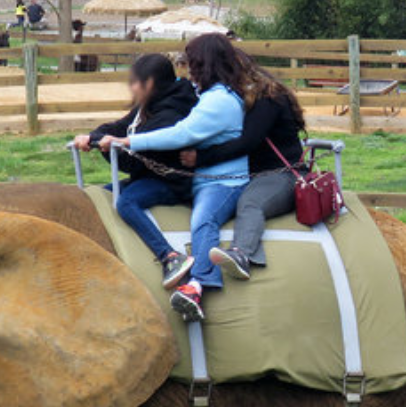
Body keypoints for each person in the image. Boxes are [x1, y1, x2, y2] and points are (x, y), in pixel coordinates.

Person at [98, 33, 248, 323]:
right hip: (202, 177)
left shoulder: (219, 101)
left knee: (203, 220)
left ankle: (197, 285)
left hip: (222, 182)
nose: (189, 70)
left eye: (193, 64)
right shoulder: (208, 95)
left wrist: (130, 142)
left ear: (207, 64)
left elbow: (182, 133)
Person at [73, 54, 198, 289]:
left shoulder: (169, 116)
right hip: (149, 176)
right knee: (102, 193)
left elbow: (132, 162)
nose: (131, 88)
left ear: (149, 83)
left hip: (171, 182)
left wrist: (104, 146)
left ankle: (169, 256)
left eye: (135, 82)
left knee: (126, 203)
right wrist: (93, 136)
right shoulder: (147, 107)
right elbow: (119, 127)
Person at [181, 52, 306, 279]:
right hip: (258, 175)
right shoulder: (250, 98)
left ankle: (241, 253)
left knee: (251, 203)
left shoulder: (268, 99)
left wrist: (202, 158)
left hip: (283, 175)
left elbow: (247, 142)